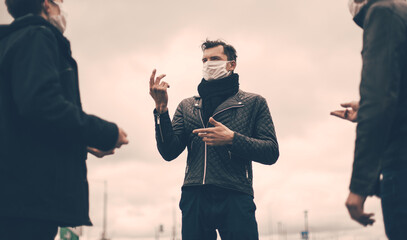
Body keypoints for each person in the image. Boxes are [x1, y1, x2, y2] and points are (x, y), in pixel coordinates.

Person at [0, 0, 129, 239]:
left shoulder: (8, 43)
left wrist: (79, 143)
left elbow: (18, 125)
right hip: (28, 201)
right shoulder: (37, 36)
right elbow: (42, 106)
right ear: (47, 5)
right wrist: (108, 133)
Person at [149, 39, 279, 240]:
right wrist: (161, 110)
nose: (208, 64)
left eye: (215, 58)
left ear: (231, 64)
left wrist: (232, 139)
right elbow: (168, 151)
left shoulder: (254, 103)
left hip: (235, 195)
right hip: (195, 196)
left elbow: (271, 151)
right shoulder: (187, 106)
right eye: (204, 60)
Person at [331, 0, 407, 239]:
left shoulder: (383, 13)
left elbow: (380, 101)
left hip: (404, 168)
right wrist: (367, 108)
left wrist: (359, 186)